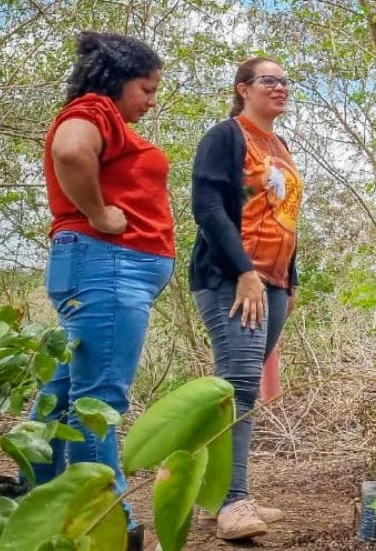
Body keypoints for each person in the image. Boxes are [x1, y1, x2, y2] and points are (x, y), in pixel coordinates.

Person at [35, 31, 174, 549]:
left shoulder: (107, 119)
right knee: (98, 402)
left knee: (64, 391)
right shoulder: (95, 110)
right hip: (105, 266)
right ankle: (110, 527)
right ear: (118, 82)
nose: (151, 100)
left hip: (104, 269)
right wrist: (99, 214)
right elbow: (71, 152)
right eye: (147, 88)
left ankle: (36, 501)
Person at [190, 58, 302, 541]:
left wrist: (289, 282)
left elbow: (285, 216)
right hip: (230, 279)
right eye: (268, 81)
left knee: (241, 390)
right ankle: (233, 501)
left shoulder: (278, 144)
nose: (279, 88)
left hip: (273, 284)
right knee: (236, 386)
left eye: (284, 81)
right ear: (243, 88)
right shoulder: (226, 135)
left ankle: (215, 498)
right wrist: (244, 272)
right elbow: (208, 206)